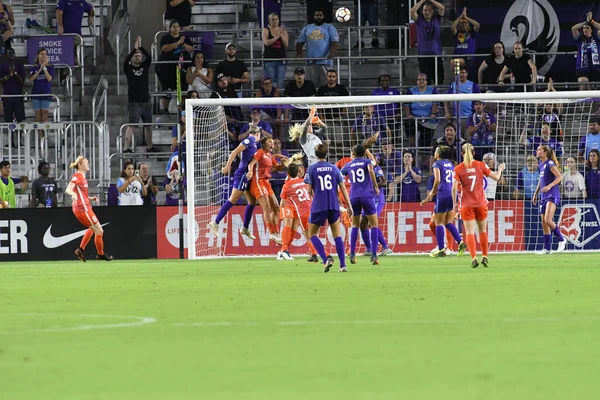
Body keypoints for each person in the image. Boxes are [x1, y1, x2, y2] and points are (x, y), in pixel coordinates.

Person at [453, 143, 505, 267]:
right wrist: (500, 169)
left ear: (462, 153)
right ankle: (485, 256)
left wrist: (454, 203)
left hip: (466, 204)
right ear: (474, 152)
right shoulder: (481, 165)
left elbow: (454, 187)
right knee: (482, 231)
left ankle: (474, 258)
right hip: (481, 203)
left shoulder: (459, 168)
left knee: (470, 232)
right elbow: (497, 178)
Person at [305, 144, 352, 272]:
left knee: (312, 234)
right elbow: (342, 188)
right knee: (337, 236)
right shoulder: (334, 168)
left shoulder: (312, 168)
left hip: (319, 205)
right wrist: (349, 206)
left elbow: (308, 190)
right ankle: (343, 266)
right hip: (333, 205)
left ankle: (326, 260)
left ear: (316, 154)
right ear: (326, 154)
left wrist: (315, 195)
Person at [208, 129, 261, 240]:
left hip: (246, 175)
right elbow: (234, 152)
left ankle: (245, 228)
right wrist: (227, 166)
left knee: (252, 202)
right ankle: (215, 222)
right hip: (242, 174)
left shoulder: (254, 144)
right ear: (257, 134)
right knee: (233, 199)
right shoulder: (250, 140)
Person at [421, 145, 467, 258]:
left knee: (439, 222)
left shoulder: (437, 164)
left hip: (443, 194)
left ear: (438, 154)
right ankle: (460, 242)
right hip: (452, 193)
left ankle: (441, 249)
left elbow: (437, 180)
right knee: (447, 222)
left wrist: (432, 193)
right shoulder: (450, 164)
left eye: (436, 151)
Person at [65, 156, 113, 261]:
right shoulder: (77, 176)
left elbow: (81, 193)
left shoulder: (82, 177)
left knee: (92, 229)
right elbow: (68, 189)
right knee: (99, 231)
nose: (88, 165)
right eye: (86, 163)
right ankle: (100, 254)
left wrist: (89, 198)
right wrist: (72, 193)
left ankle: (81, 249)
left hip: (84, 207)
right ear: (80, 165)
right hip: (83, 209)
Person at [341, 144, 380, 265]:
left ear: (353, 153)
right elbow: (371, 167)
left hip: (354, 196)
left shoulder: (349, 164)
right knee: (374, 225)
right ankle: (374, 255)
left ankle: (352, 254)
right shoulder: (367, 162)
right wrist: (375, 186)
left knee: (355, 225)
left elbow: (340, 175)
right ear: (363, 153)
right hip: (367, 195)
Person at [247, 137, 287, 243]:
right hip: (258, 182)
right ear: (264, 144)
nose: (272, 144)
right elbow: (251, 164)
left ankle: (276, 233)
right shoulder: (260, 152)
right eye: (270, 142)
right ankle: (272, 232)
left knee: (277, 208)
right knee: (267, 208)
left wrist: (283, 163)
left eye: (272, 142)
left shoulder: (269, 155)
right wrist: (250, 171)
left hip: (267, 183)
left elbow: (278, 168)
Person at [278, 162, 318, 260]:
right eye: (299, 170)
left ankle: (282, 251)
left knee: (294, 228)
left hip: (297, 205)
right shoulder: (291, 181)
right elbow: (283, 203)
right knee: (288, 224)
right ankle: (284, 250)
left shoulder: (302, 180)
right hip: (288, 204)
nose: (301, 172)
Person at [532, 145, 567, 254]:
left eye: (539, 150)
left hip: (552, 194)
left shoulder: (550, 164)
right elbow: (541, 180)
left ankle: (562, 239)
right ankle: (547, 249)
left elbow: (560, 177)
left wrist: (549, 186)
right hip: (543, 196)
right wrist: (535, 193)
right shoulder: (541, 165)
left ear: (545, 152)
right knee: (544, 222)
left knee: (548, 220)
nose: (537, 151)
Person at [123, 36, 155, 153]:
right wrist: (133, 50)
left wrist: (140, 47)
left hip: (145, 101)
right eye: (135, 56)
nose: (138, 57)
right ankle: (126, 147)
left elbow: (150, 57)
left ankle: (150, 146)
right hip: (134, 102)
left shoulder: (144, 67)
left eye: (139, 55)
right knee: (132, 125)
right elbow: (126, 61)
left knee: (148, 126)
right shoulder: (128, 68)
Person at [296, 8, 339, 88]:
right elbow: (299, 42)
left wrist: (331, 54)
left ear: (324, 16)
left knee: (325, 86)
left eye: (320, 15)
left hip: (325, 62)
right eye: (316, 15)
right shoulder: (307, 28)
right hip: (311, 62)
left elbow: (335, 42)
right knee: (312, 86)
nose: (318, 17)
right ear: (313, 16)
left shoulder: (330, 27)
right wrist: (299, 53)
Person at [156, 20, 193, 114]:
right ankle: (165, 109)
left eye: (177, 26)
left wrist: (183, 44)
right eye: (174, 27)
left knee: (183, 87)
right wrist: (177, 43)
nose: (176, 28)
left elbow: (191, 49)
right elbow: (164, 48)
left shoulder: (184, 38)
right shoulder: (166, 37)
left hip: (181, 67)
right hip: (166, 68)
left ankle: (183, 109)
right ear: (170, 28)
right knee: (167, 88)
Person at [410, 0, 445, 85]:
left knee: (439, 80)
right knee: (426, 81)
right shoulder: (419, 20)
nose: (427, 12)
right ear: (422, 11)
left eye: (429, 10)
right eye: (425, 10)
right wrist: (422, 1)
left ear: (432, 11)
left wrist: (431, 0)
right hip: (423, 56)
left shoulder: (436, 18)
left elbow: (442, 8)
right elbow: (412, 11)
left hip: (436, 55)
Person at [403, 73, 438, 150]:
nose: (421, 81)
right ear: (416, 81)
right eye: (419, 79)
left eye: (423, 79)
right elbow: (406, 104)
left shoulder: (432, 90)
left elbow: (435, 103)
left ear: (426, 81)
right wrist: (408, 115)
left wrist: (433, 113)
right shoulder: (411, 91)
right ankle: (412, 147)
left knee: (425, 143)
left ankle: (424, 156)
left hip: (428, 119)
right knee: (409, 122)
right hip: (415, 118)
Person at [317, 69, 349, 152]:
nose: (331, 78)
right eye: (330, 76)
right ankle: (326, 158)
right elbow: (318, 104)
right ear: (326, 77)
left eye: (333, 76)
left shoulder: (341, 88)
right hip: (325, 120)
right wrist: (321, 116)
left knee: (338, 141)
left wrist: (341, 115)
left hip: (337, 119)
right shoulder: (322, 89)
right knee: (326, 142)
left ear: (336, 78)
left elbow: (346, 102)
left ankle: (339, 160)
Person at [29, 47, 53, 153]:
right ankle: (40, 136)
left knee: (45, 116)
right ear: (38, 55)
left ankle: (45, 136)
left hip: (46, 94)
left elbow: (49, 78)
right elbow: (31, 79)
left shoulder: (51, 67)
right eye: (41, 54)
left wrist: (44, 68)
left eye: (45, 54)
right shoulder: (34, 67)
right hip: (36, 94)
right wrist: (39, 69)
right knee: (38, 116)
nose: (43, 56)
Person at [571, 11, 600, 90]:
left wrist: (591, 21)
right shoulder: (580, 38)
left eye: (587, 28)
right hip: (582, 67)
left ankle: (594, 103)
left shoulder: (596, 38)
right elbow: (573, 28)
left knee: (593, 89)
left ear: (591, 30)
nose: (585, 29)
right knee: (583, 85)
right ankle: (582, 103)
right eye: (584, 28)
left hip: (595, 67)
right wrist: (585, 22)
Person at [451, 7, 480, 78]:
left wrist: (466, 17)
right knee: (454, 62)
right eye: (462, 23)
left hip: (469, 59)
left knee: (470, 78)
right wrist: (461, 16)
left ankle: (458, 80)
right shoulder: (457, 33)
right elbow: (452, 27)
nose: (464, 24)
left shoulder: (472, 33)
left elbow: (477, 25)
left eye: (465, 22)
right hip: (458, 58)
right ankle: (457, 80)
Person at [262, 12, 288, 90]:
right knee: (270, 82)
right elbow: (266, 42)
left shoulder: (283, 30)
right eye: (272, 19)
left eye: (276, 19)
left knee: (280, 83)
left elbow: (286, 44)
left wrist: (281, 36)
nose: (275, 21)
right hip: (269, 60)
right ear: (269, 21)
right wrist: (277, 37)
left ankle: (279, 100)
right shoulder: (266, 30)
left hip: (281, 59)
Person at [0, 48, 25, 130]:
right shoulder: (2, 65)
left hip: (18, 95)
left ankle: (20, 141)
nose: (11, 55)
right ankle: (11, 142)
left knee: (19, 120)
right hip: (7, 95)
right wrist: (8, 76)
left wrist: (15, 73)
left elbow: (22, 82)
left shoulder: (19, 64)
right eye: (9, 53)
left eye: (12, 53)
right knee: (8, 120)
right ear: (6, 55)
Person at [372, 74, 402, 140]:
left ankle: (393, 149)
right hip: (379, 118)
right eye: (382, 81)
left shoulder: (395, 91)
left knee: (393, 136)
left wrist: (398, 113)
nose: (385, 82)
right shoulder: (375, 92)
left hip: (392, 118)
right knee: (381, 136)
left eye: (387, 80)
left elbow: (398, 104)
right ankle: (383, 150)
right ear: (380, 82)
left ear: (389, 81)